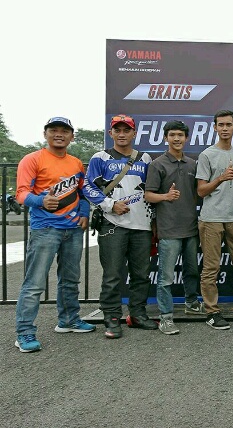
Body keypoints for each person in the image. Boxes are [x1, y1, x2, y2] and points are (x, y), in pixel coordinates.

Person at [14, 117, 95, 352]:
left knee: (70, 279)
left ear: (72, 136)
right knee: (34, 283)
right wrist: (40, 201)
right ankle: (24, 333)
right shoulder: (32, 159)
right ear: (45, 134)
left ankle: (68, 320)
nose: (59, 134)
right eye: (54, 130)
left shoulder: (76, 162)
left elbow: (82, 192)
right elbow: (21, 194)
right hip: (45, 229)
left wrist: (84, 213)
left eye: (64, 131)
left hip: (73, 229)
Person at [84, 114, 157, 338]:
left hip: (141, 225)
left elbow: (152, 189)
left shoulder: (145, 158)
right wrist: (110, 205)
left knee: (141, 274)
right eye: (118, 130)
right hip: (112, 224)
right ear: (111, 133)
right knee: (112, 274)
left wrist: (154, 222)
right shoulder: (100, 157)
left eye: (127, 130)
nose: (122, 134)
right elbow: (88, 187)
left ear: (134, 133)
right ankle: (112, 317)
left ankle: (137, 314)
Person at [144, 120, 203, 335]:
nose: (176, 139)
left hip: (191, 227)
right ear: (166, 138)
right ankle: (166, 317)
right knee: (166, 277)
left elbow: (198, 193)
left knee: (192, 270)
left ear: (186, 138)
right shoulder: (157, 164)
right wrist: (166, 197)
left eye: (180, 135)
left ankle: (191, 302)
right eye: (172, 135)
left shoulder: (192, 164)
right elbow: (148, 195)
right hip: (168, 229)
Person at [196, 109, 233, 330]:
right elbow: (201, 191)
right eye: (221, 125)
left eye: (229, 124)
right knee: (211, 268)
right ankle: (212, 311)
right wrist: (220, 178)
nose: (225, 128)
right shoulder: (206, 155)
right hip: (211, 219)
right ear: (215, 127)